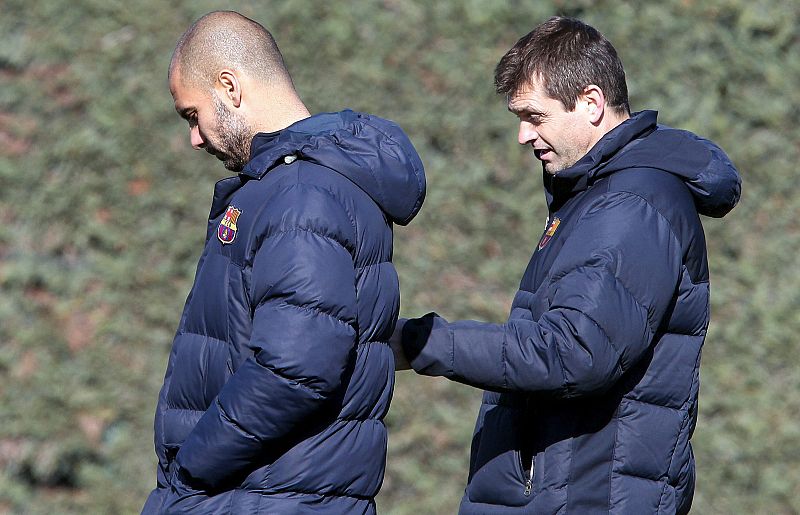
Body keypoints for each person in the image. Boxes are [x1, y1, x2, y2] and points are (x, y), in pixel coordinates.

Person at [391, 16, 740, 514]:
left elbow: (575, 352)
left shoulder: (632, 204)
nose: (522, 135)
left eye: (535, 116)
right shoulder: (597, 197)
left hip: (586, 499)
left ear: (592, 103)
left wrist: (421, 342)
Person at [142, 10, 426, 514]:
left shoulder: (302, 194)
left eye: (192, 115)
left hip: (262, 499)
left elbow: (296, 367)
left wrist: (191, 470)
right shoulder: (290, 185)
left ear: (229, 86)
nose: (194, 138)